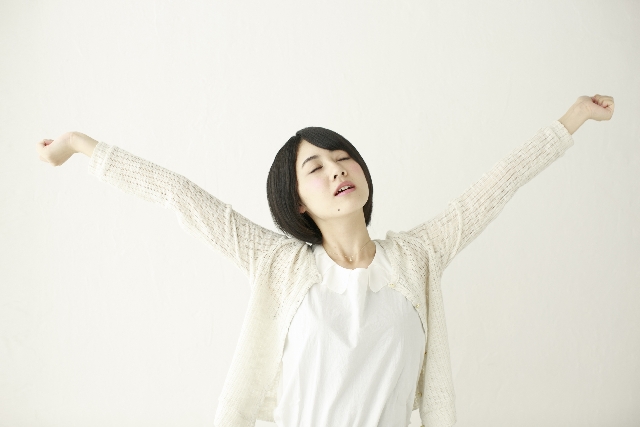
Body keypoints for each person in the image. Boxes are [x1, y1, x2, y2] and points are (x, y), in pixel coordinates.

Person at [36, 95, 614, 427]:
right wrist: (81, 145)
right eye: (316, 168)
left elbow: (497, 185)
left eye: (343, 158)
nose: (337, 169)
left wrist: (573, 118)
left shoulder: (417, 256)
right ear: (298, 203)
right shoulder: (279, 264)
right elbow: (180, 196)